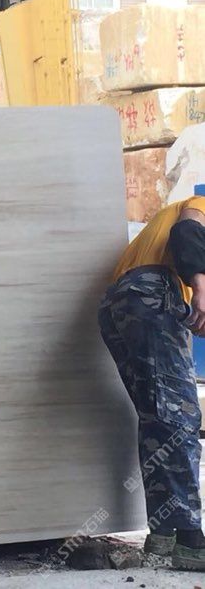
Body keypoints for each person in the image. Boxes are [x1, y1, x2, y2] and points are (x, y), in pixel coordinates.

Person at [98, 196, 205, 571]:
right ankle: (192, 542)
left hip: (118, 302)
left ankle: (164, 535)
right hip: (152, 291)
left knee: (158, 419)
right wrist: (201, 286)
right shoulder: (198, 205)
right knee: (180, 418)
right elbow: (187, 230)